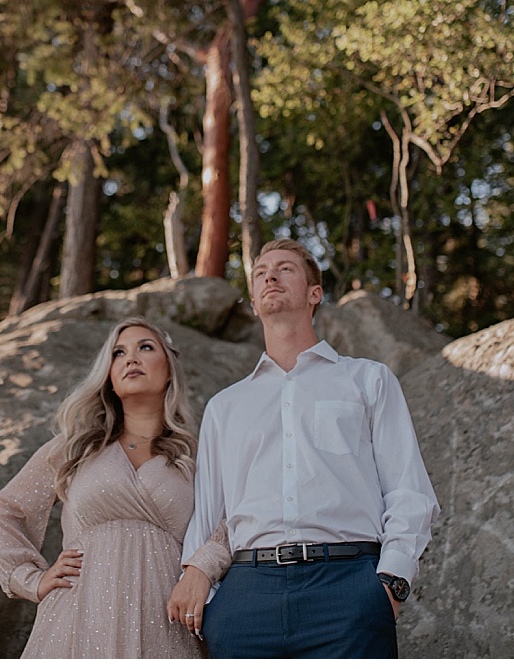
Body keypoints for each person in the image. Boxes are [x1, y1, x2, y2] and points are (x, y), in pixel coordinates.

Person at [167, 239, 440, 658]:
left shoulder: (369, 381)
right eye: (261, 273)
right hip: (246, 597)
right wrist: (207, 590)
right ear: (254, 304)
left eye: (285, 268)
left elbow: (409, 491)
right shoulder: (225, 406)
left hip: (349, 588)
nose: (270, 277)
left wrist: (391, 583)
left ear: (315, 293)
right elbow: (208, 511)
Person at [0, 316, 228, 658]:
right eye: (118, 353)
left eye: (145, 347)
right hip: (77, 613)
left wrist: (201, 571)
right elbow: (4, 513)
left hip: (165, 617)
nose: (131, 358)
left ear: (170, 370)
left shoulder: (196, 456)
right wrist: (31, 578)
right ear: (109, 375)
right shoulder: (76, 447)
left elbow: (230, 523)